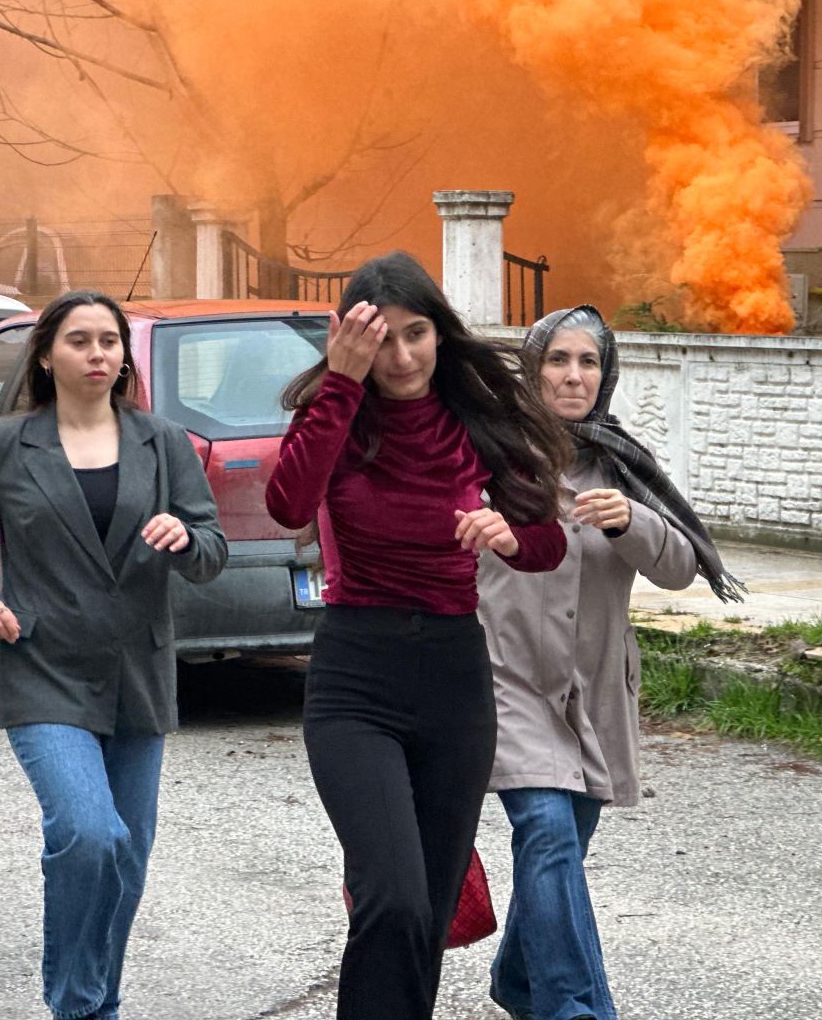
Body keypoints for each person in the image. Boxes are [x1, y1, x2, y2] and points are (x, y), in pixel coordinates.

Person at [265, 251, 572, 1020]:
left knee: (427, 915)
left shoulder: (475, 420)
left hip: (453, 680)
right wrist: (340, 382)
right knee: (392, 898)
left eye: (416, 334)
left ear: (440, 333)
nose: (400, 357)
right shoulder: (335, 414)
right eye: (383, 340)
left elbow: (547, 544)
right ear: (350, 339)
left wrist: (506, 533)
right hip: (354, 678)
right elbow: (286, 502)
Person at [0, 289, 227, 1020]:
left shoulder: (163, 442)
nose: (99, 354)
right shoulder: (8, 444)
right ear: (47, 354)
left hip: (139, 673)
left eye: (109, 341)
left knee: (127, 860)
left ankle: (100, 1003)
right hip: (43, 669)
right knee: (89, 835)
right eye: (81, 341)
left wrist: (186, 538)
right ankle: (76, 1005)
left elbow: (212, 550)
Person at [477, 304, 744, 1020]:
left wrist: (636, 521)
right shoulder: (489, 456)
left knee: (561, 852)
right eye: (558, 361)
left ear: (606, 373)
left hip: (594, 691)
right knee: (547, 831)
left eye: (587, 362)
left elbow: (683, 567)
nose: (573, 376)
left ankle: (518, 978)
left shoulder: (622, 462)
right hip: (509, 683)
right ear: (533, 372)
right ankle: (578, 1010)